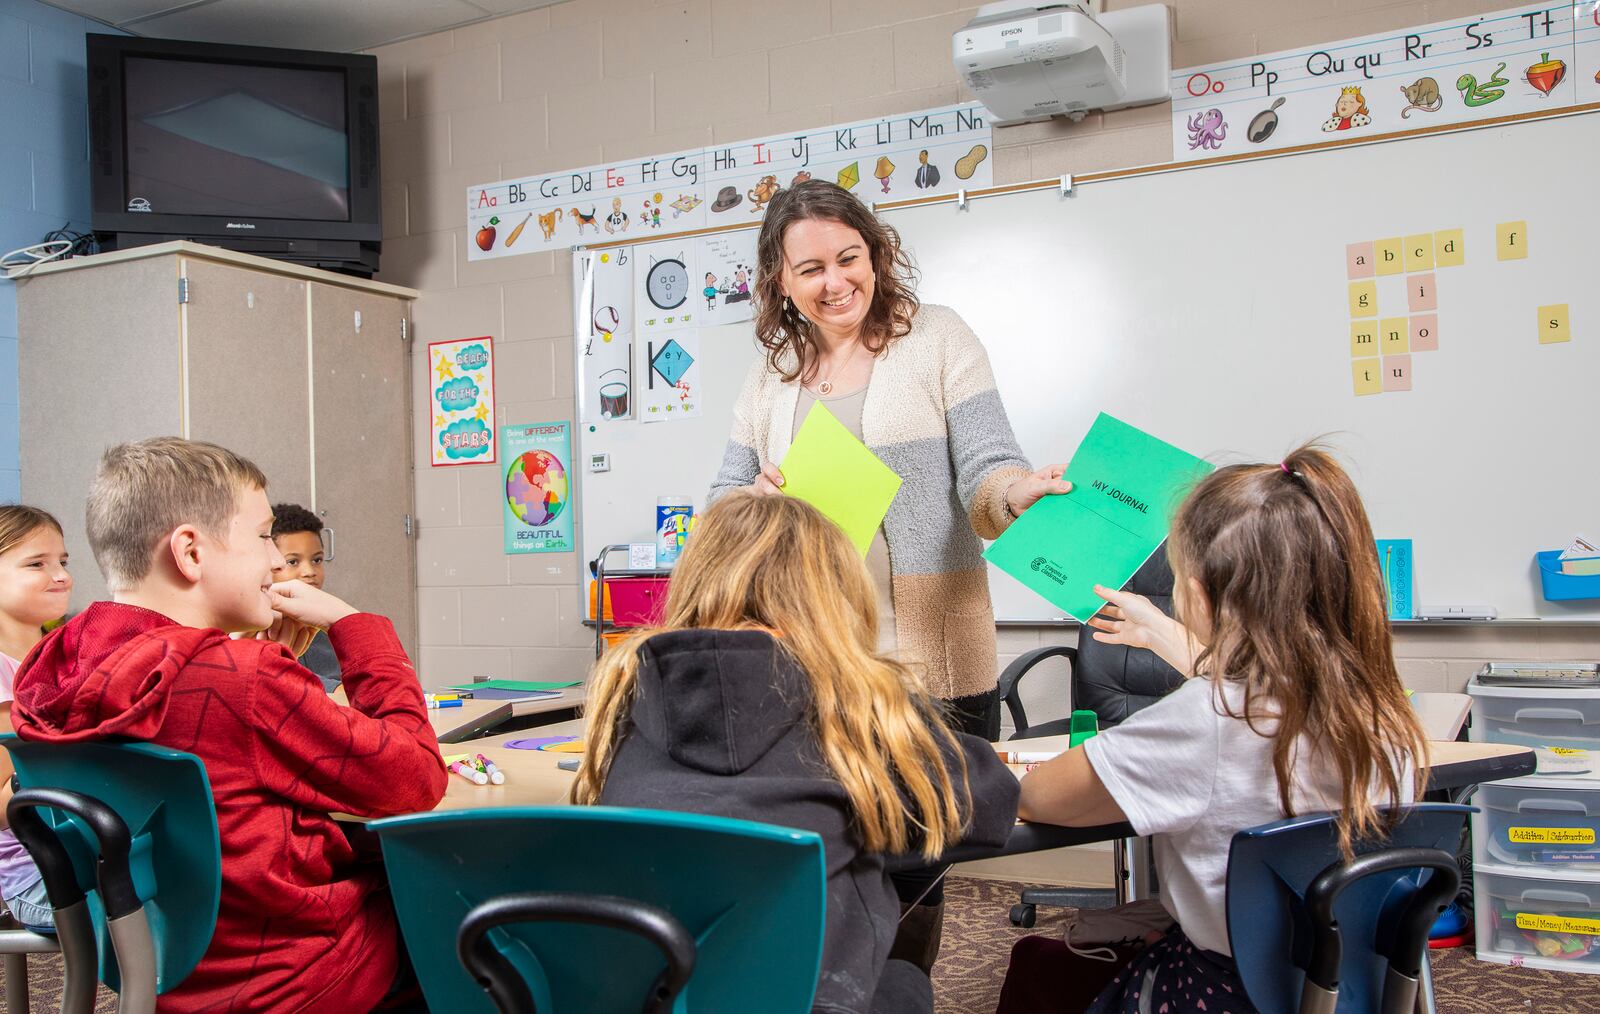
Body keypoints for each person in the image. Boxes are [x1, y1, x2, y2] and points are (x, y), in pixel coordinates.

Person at [708, 178, 1066, 963]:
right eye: (811, 270)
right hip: (809, 663)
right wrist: (751, 499)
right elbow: (720, 505)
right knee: (831, 864)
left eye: (849, 258)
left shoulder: (938, 338)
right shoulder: (771, 379)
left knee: (916, 871)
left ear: (876, 253)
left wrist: (1018, 493)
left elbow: (987, 469)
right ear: (780, 280)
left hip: (930, 660)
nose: (835, 283)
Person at [11, 437, 447, 1013]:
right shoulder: (244, 678)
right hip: (293, 977)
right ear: (190, 552)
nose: (275, 559)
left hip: (159, 973)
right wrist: (356, 624)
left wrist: (277, 669)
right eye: (265, 536)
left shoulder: (51, 666)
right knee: (467, 911)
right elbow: (414, 782)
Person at [999, 446, 1429, 1014]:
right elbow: (1257, 689)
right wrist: (1162, 636)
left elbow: (1038, 796)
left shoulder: (1205, 720)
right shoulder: (1382, 712)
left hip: (1227, 992)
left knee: (1039, 965)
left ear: (1197, 594)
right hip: (1345, 983)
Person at [572, 492, 1019, 1014]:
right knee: (902, 980)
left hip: (655, 992)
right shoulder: (858, 700)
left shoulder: (626, 691)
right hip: (812, 998)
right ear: (833, 594)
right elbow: (985, 805)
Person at [0, 506, 72, 931]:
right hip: (38, 874)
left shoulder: (66, 653)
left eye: (63, 562)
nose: (60, 575)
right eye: (37, 564)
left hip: (92, 852)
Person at [270, 501, 342, 692]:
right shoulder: (258, 626)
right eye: (293, 561)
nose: (309, 571)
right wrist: (338, 689)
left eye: (317, 560)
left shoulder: (323, 625)